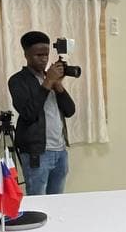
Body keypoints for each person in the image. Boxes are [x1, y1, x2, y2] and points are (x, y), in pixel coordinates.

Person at [8, 30, 76, 195]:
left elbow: (70, 111)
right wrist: (48, 82)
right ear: (26, 55)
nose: (44, 59)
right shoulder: (18, 80)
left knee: (57, 202)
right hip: (37, 153)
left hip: (60, 151)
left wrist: (57, 85)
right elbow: (29, 113)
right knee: (37, 203)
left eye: (46, 54)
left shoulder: (50, 78)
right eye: (38, 55)